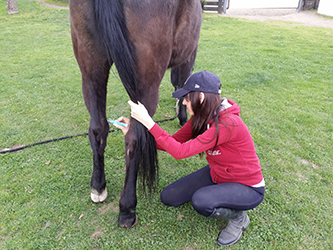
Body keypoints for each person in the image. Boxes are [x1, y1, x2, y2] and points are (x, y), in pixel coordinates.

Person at [113, 70, 265, 247]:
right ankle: (221, 195)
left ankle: (239, 218)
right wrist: (134, 131)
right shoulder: (201, 119)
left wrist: (149, 122)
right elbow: (172, 142)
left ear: (200, 97)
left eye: (186, 98)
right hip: (218, 175)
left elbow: (180, 152)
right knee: (168, 196)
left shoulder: (229, 124)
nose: (184, 103)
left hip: (247, 187)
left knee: (202, 201)